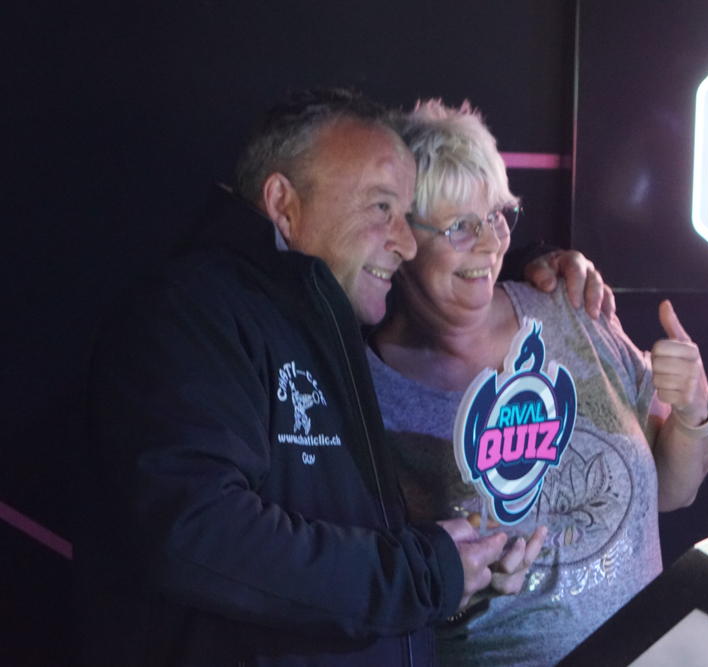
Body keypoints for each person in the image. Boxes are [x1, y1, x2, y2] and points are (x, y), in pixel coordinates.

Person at [79, 88, 611, 667]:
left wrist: (458, 578)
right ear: (283, 203)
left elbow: (342, 585)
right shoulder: (188, 314)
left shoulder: (326, 323)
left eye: (407, 216)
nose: (405, 244)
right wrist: (423, 576)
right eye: (382, 208)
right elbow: (195, 533)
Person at [367, 100, 708, 666]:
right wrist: (458, 590)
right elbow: (372, 597)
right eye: (460, 227)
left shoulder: (570, 309)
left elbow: (674, 491)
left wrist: (693, 412)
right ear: (404, 238)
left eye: (496, 217)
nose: (489, 245)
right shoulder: (369, 392)